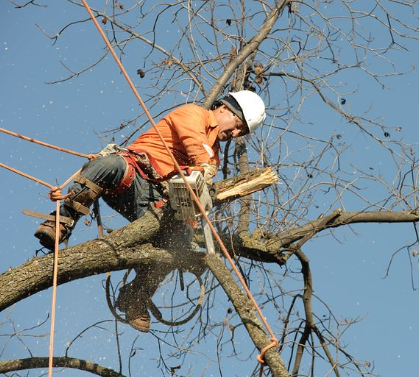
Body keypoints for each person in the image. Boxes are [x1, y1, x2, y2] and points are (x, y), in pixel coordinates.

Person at [34, 90, 266, 332]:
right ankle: (61, 222)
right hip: (132, 177)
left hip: (155, 202)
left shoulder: (213, 154)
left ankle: (136, 296)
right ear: (225, 109)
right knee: (109, 163)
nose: (236, 134)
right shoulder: (193, 114)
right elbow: (195, 145)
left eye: (242, 132)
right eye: (238, 125)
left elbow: (202, 170)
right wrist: (204, 168)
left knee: (180, 240)